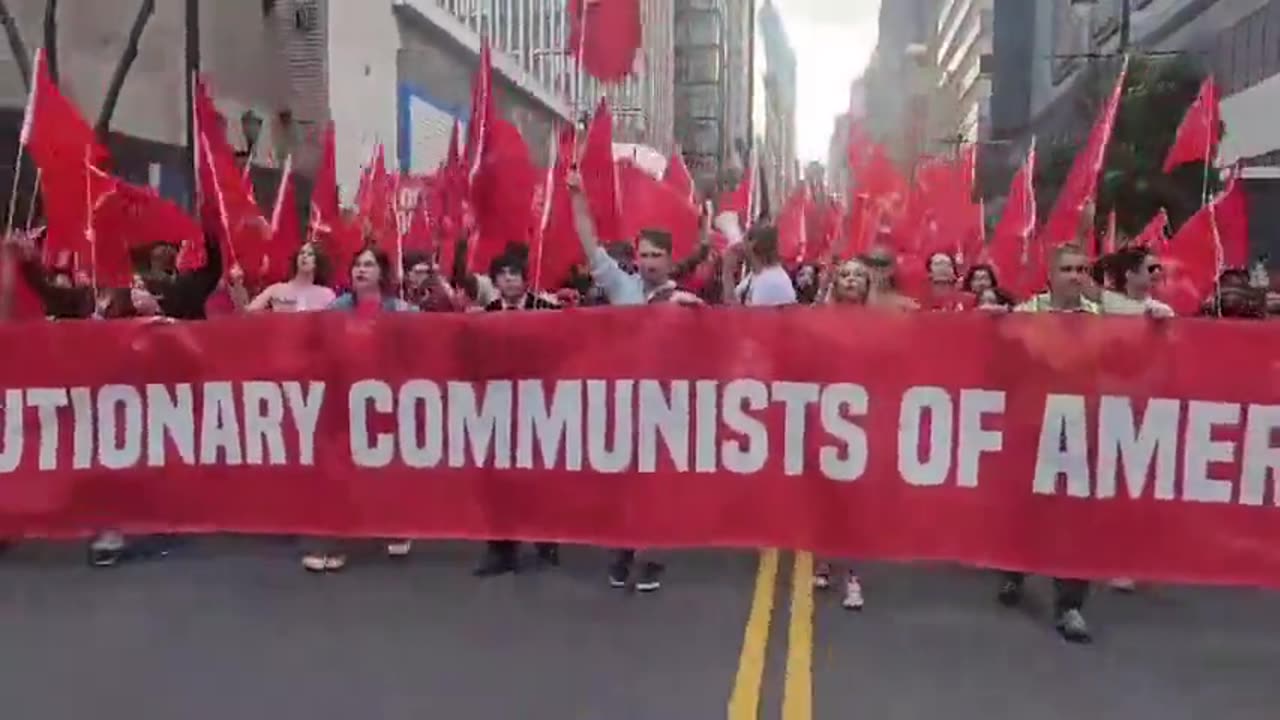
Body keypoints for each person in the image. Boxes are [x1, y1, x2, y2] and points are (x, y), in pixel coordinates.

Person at [567, 169, 701, 593]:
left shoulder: (685, 301)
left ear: (669, 259)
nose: (646, 262)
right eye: (642, 254)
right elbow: (589, 242)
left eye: (655, 256)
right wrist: (577, 195)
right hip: (624, 402)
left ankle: (652, 556)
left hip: (667, 404)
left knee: (658, 482)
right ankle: (622, 548)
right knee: (622, 479)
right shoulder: (620, 286)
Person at [1001, 243, 1098, 643]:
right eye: (1068, 269)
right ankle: (1011, 568)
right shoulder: (1027, 314)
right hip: (1030, 425)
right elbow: (1000, 359)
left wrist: (1155, 316)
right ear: (1052, 275)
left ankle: (1070, 605)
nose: (1075, 276)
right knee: (1025, 507)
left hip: (1079, 428)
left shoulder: (1102, 320)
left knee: (1074, 518)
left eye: (1082, 269)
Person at [302, 247, 417, 573]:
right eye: (357, 265)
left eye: (369, 265)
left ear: (382, 273)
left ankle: (395, 525)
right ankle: (336, 540)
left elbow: (421, 347)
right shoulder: (336, 310)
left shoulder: (401, 311)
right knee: (338, 470)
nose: (361, 270)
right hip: (344, 396)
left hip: (386, 398)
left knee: (387, 467)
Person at [474, 250, 562, 576]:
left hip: (539, 405)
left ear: (527, 277)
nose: (509, 279)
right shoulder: (485, 315)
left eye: (515, 273)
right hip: (497, 406)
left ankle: (545, 540)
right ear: (495, 280)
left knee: (538, 475)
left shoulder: (549, 310)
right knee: (498, 480)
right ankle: (501, 548)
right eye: (503, 274)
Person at [241, 242, 336, 313]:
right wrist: (237, 283)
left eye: (310, 254)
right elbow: (248, 312)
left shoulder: (327, 295)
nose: (304, 256)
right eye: (302, 253)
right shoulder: (276, 290)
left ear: (318, 262)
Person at [722, 225, 797, 307]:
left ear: (752, 244)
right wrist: (728, 273)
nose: (740, 246)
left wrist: (727, 273)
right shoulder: (755, 275)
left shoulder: (772, 283)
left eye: (744, 241)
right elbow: (731, 304)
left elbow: (742, 317)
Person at [1100, 246, 1174, 318]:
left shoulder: (1162, 310)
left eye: (1159, 268)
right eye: (1151, 269)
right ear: (1130, 275)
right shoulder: (1106, 301)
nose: (1157, 272)